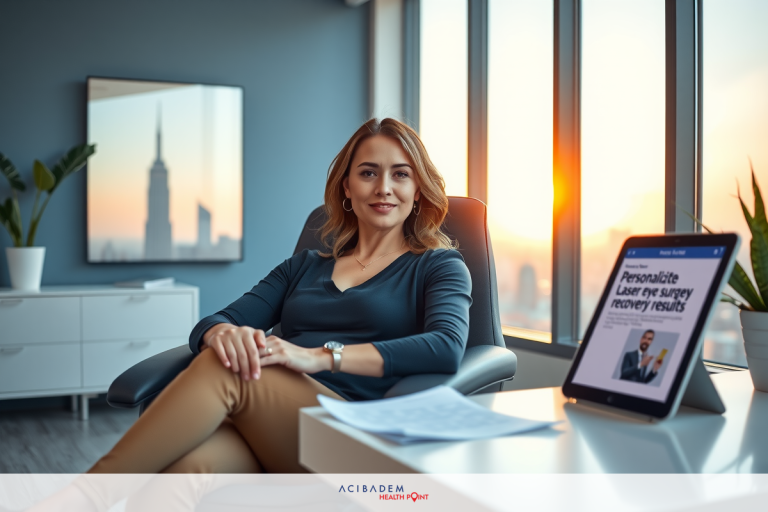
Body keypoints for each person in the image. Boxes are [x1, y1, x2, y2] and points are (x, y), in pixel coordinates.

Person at [55, 117, 471, 509]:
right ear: (347, 187)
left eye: (400, 174)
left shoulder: (438, 266)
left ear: (418, 190)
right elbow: (215, 321)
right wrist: (224, 335)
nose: (384, 187)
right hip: (273, 427)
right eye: (368, 173)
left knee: (226, 367)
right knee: (170, 481)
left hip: (357, 439)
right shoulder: (304, 266)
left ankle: (82, 499)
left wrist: (319, 356)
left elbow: (446, 346)